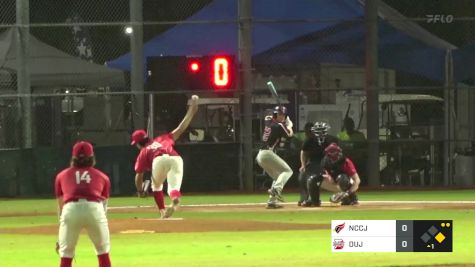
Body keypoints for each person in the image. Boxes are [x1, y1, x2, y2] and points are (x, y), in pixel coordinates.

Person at [131, 95, 199, 218]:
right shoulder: (163, 138)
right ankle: (174, 199)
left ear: (138, 144)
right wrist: (192, 110)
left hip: (159, 160)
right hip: (176, 158)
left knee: (156, 186)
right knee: (173, 188)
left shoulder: (144, 151)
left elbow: (138, 177)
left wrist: (140, 191)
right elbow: (181, 128)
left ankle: (162, 212)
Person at [54, 141, 112, 267]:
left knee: (66, 255)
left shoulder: (61, 176)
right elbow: (104, 207)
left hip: (70, 209)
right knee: (103, 252)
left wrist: (61, 234)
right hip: (95, 208)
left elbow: (61, 206)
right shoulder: (103, 177)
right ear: (91, 157)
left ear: (73, 158)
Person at [256, 105, 294, 209]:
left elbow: (268, 115)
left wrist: (283, 120)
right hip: (267, 154)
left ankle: (272, 202)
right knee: (288, 171)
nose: (282, 117)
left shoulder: (268, 120)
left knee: (278, 177)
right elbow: (290, 135)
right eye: (282, 115)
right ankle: (277, 189)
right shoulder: (279, 125)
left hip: (260, 155)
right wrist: (289, 126)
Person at [298, 122, 338, 207]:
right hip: (313, 162)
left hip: (328, 162)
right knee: (302, 176)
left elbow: (337, 154)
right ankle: (306, 198)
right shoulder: (309, 140)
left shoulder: (332, 140)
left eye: (322, 131)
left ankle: (347, 196)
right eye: (318, 131)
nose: (320, 133)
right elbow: (303, 152)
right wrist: (303, 165)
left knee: (342, 178)